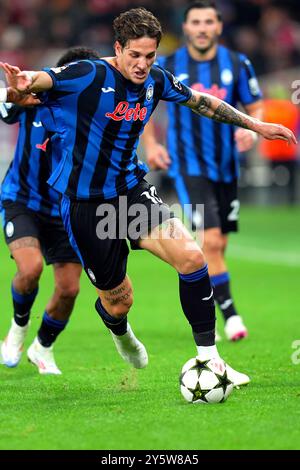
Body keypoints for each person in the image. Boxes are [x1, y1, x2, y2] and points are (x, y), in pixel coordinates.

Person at [0, 8, 295, 388]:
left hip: (130, 194)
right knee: (119, 301)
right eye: (134, 55)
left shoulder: (156, 80)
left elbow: (202, 101)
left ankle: (211, 360)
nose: (142, 64)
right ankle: (120, 331)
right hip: (85, 206)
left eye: (149, 55)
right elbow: (42, 79)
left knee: (191, 256)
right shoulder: (88, 73)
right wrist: (25, 81)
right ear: (118, 48)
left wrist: (256, 124)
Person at [142, 0, 264, 342]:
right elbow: (144, 106)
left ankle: (220, 307)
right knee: (210, 239)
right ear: (186, 27)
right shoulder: (166, 65)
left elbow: (254, 105)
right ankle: (231, 316)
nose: (202, 27)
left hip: (227, 167)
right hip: (188, 166)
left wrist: (249, 130)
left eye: (208, 21)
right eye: (195, 21)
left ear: (219, 27)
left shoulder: (238, 64)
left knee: (219, 243)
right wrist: (152, 145)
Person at [0, 47, 100, 375]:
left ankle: (42, 347)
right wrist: (11, 93)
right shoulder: (32, 99)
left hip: (67, 208)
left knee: (70, 289)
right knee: (30, 270)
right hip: (22, 200)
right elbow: (7, 105)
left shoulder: (94, 112)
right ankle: (17, 329)